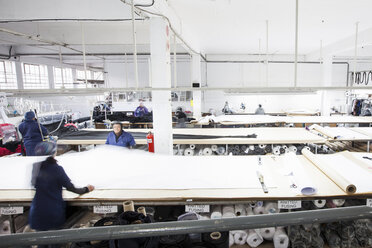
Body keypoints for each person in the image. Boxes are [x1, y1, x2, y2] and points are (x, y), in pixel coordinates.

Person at [29, 142, 94, 248]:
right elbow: (70, 187)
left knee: (41, 243)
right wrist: (86, 189)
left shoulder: (35, 167)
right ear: (53, 153)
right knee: (55, 242)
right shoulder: (56, 169)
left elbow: (33, 183)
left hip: (37, 211)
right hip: (52, 212)